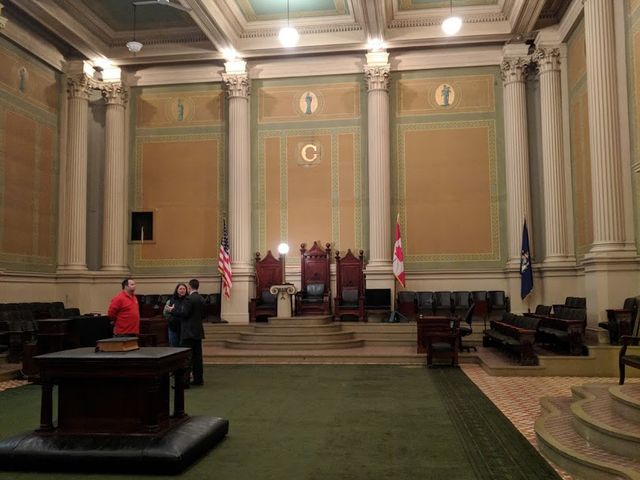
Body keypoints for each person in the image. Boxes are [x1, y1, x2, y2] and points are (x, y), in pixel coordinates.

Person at [173, 278, 205, 387]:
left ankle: (184, 381)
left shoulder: (188, 299)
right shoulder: (201, 298)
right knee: (197, 357)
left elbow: (184, 313)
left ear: (189, 287)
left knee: (186, 357)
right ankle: (198, 379)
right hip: (198, 332)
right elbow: (203, 315)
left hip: (188, 332)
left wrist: (172, 310)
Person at [164, 282, 188, 347]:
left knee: (184, 348)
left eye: (184, 289)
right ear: (177, 290)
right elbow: (165, 313)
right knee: (174, 347)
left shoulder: (188, 300)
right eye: (180, 289)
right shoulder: (170, 300)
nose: (182, 290)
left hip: (185, 329)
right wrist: (171, 319)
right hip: (173, 328)